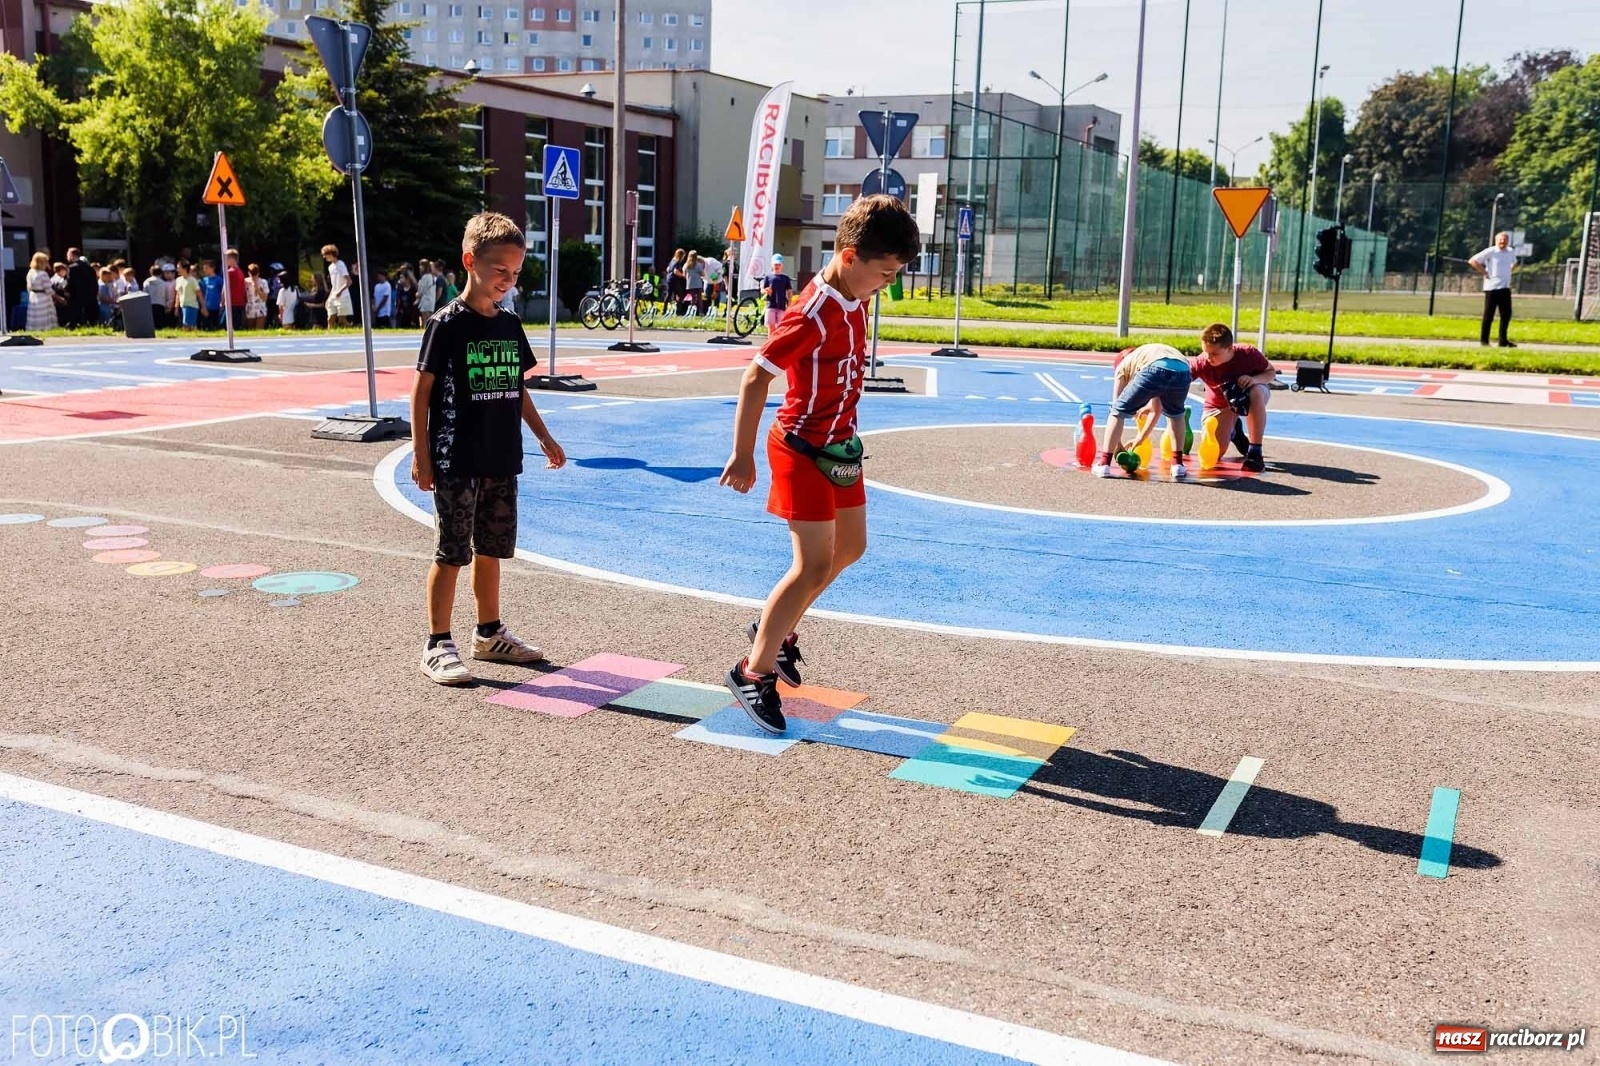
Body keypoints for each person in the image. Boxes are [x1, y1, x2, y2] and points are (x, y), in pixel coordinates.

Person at [718, 194, 920, 733]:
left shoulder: (858, 294)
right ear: (850, 257)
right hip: (801, 449)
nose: (887, 285)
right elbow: (755, 376)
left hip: (840, 447)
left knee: (850, 548)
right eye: (883, 273)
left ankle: (774, 628)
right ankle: (751, 671)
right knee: (810, 564)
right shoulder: (811, 313)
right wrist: (742, 453)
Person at [410, 211, 567, 686]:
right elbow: (421, 392)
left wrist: (543, 434)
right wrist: (422, 455)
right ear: (470, 262)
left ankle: (489, 633)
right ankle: (437, 643)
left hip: (502, 456)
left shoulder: (509, 324)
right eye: (500, 270)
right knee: (451, 551)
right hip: (456, 457)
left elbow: (516, 388)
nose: (508, 280)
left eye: (516, 273)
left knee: (491, 549)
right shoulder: (447, 325)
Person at [1092, 343, 1192, 481]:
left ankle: (1104, 464)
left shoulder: (1123, 365)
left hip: (1155, 368)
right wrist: (1140, 438)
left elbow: (1116, 408)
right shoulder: (1146, 355)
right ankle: (1177, 466)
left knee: (1117, 411)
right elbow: (1156, 410)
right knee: (1176, 414)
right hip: (1184, 370)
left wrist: (1117, 446)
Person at [1189, 323, 1275, 473]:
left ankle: (1255, 452)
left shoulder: (1248, 354)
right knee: (1214, 455)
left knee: (1256, 391)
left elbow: (1271, 373)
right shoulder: (1201, 362)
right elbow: (1180, 382)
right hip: (1219, 404)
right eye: (1205, 352)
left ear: (1230, 348)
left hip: (1248, 396)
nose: (1208, 358)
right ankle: (1234, 431)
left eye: (1214, 354)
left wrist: (1254, 379)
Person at [1469, 231, 1517, 348]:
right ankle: (1484, 341)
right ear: (1496, 241)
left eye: (1505, 240)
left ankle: (1503, 340)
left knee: (1506, 314)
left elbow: (1514, 263)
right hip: (1492, 288)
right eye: (1500, 240)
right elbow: (1473, 261)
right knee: (1489, 314)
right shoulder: (1491, 251)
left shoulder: (1510, 251)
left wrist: (1509, 271)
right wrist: (1484, 272)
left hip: (1505, 287)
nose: (1503, 242)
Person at [24, 252, 58, 332]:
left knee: (34, 316)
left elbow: (28, 287)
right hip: (43, 297)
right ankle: (46, 330)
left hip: (33, 296)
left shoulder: (30, 272)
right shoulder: (43, 274)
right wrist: (59, 298)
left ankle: (33, 330)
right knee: (45, 316)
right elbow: (49, 290)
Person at [65, 248, 97, 328]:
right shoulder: (89, 267)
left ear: (72, 255)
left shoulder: (72, 268)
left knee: (75, 314)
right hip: (89, 295)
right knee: (88, 314)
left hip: (76, 295)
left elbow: (70, 282)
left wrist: (67, 290)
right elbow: (94, 282)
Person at [762, 254, 793, 333]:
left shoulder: (785, 278)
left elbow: (789, 291)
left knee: (780, 327)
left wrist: (789, 303)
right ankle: (770, 343)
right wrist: (766, 290)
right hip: (770, 305)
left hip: (781, 305)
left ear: (782, 265)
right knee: (771, 326)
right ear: (772, 265)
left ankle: (778, 343)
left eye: (779, 264)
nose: (777, 266)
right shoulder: (768, 277)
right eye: (775, 264)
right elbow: (762, 290)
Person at [322, 244, 352, 327]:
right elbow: (333, 285)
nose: (325, 257)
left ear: (331, 254)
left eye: (326, 255)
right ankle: (329, 336)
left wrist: (340, 291)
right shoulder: (330, 267)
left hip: (343, 296)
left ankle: (353, 331)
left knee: (342, 320)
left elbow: (349, 281)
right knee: (330, 318)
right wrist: (329, 298)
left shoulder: (341, 264)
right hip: (334, 295)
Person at [224, 249, 248, 329]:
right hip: (240, 302)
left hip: (232, 302)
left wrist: (222, 300)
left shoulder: (229, 272)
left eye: (226, 258)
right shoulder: (241, 272)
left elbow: (226, 287)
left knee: (225, 324)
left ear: (231, 259)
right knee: (236, 325)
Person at [174, 260, 200, 330]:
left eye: (179, 268)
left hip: (191, 305)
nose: (177, 270)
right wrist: (176, 307)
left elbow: (199, 294)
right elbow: (178, 294)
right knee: (185, 324)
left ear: (185, 269)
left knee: (188, 325)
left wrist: (203, 306)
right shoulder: (178, 280)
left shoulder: (192, 280)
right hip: (182, 305)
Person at [198, 261, 224, 330]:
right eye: (204, 268)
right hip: (206, 307)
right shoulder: (204, 280)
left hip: (216, 307)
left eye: (207, 268)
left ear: (212, 268)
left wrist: (222, 304)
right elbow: (201, 294)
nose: (205, 270)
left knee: (217, 327)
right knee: (206, 327)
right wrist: (203, 307)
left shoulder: (219, 280)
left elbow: (223, 292)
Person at [244, 262, 269, 330]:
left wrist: (257, 288)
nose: (253, 276)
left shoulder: (263, 282)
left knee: (259, 329)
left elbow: (264, 298)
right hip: (250, 308)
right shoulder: (245, 282)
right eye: (251, 273)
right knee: (250, 329)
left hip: (261, 308)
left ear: (258, 273)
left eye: (255, 273)